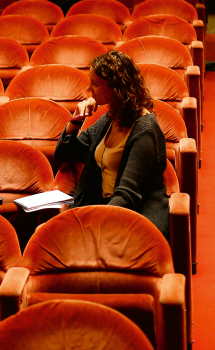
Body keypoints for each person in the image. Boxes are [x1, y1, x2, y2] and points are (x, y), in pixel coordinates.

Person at [54, 51, 169, 240]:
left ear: (117, 88)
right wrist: (75, 120)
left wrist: (92, 225)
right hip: (104, 207)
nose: (89, 89)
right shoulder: (110, 119)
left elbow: (127, 195)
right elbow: (64, 152)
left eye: (96, 84)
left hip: (135, 217)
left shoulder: (145, 130)